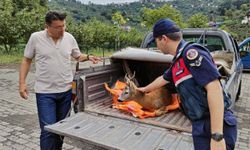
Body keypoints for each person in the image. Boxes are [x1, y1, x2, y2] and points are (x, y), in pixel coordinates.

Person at [137, 19, 237, 150]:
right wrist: (144, 89)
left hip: (215, 123)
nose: (156, 45)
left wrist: (217, 136)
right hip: (200, 124)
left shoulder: (192, 54)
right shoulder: (178, 62)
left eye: (156, 41)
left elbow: (215, 89)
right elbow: (163, 79)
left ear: (164, 39)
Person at [19, 11, 101, 150]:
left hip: (66, 91)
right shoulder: (36, 38)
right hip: (45, 93)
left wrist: (88, 57)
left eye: (64, 26)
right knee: (48, 130)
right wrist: (22, 83)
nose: (62, 30)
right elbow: (27, 60)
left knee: (61, 130)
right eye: (58, 27)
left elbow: (77, 55)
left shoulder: (69, 38)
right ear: (47, 26)